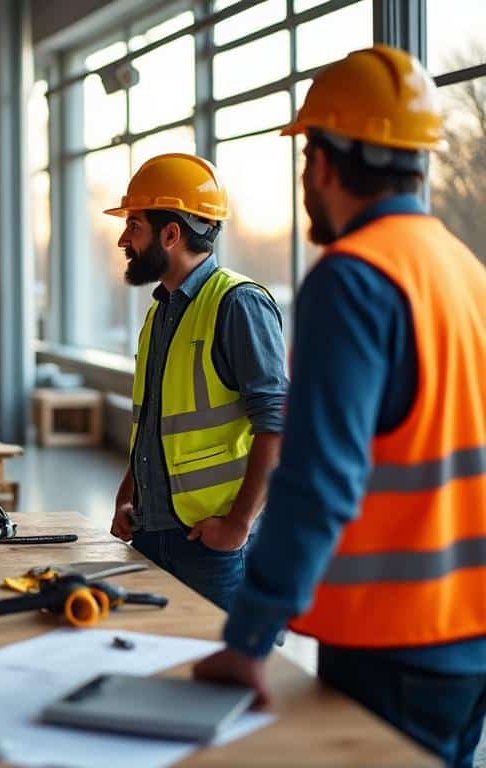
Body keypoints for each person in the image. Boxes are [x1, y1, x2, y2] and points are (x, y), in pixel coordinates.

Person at [192, 45, 486, 768]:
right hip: (471, 634)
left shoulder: (352, 279)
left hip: (397, 638)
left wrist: (249, 636)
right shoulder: (463, 270)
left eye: (305, 158)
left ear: (321, 164)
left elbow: (317, 479)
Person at [104, 154, 288, 610]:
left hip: (214, 545)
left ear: (171, 234)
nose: (124, 240)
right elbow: (157, 422)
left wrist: (238, 526)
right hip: (154, 533)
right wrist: (131, 496)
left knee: (224, 655)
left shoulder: (238, 304)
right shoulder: (161, 311)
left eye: (134, 226)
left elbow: (277, 423)